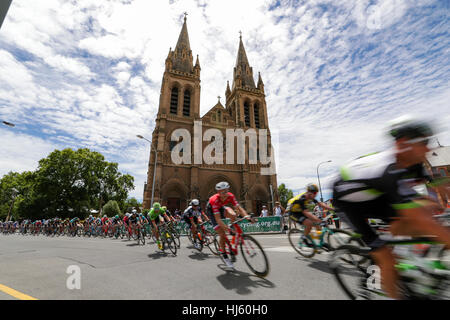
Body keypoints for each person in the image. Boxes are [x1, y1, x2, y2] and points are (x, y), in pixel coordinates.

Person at [332, 116, 450, 299]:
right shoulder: (388, 170)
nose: (429, 147)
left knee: (417, 220)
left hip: (375, 194)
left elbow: (440, 184)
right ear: (404, 143)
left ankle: (407, 267)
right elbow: (420, 218)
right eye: (424, 142)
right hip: (348, 202)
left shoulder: (414, 162)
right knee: (386, 257)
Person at [206, 181, 255, 269]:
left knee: (233, 214)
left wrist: (247, 217)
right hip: (212, 212)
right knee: (222, 234)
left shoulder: (230, 196)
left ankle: (233, 229)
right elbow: (218, 219)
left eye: (227, 191)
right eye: (223, 192)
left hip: (221, 208)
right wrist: (226, 229)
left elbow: (239, 208)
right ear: (218, 192)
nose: (225, 193)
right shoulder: (214, 200)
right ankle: (224, 256)